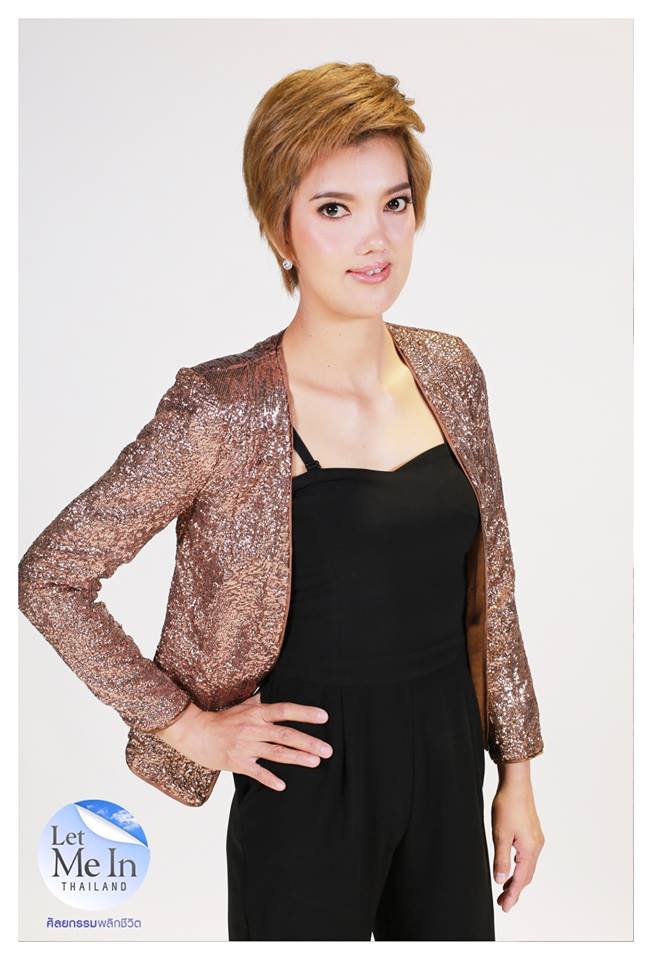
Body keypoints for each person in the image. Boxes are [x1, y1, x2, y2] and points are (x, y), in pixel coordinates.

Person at [19, 61, 544, 941]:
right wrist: (187, 726)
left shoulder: (449, 370)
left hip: (450, 772)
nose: (374, 239)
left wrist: (516, 773)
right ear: (279, 229)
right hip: (305, 791)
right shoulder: (222, 408)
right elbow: (51, 576)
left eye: (395, 202)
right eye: (334, 208)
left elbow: (491, 585)